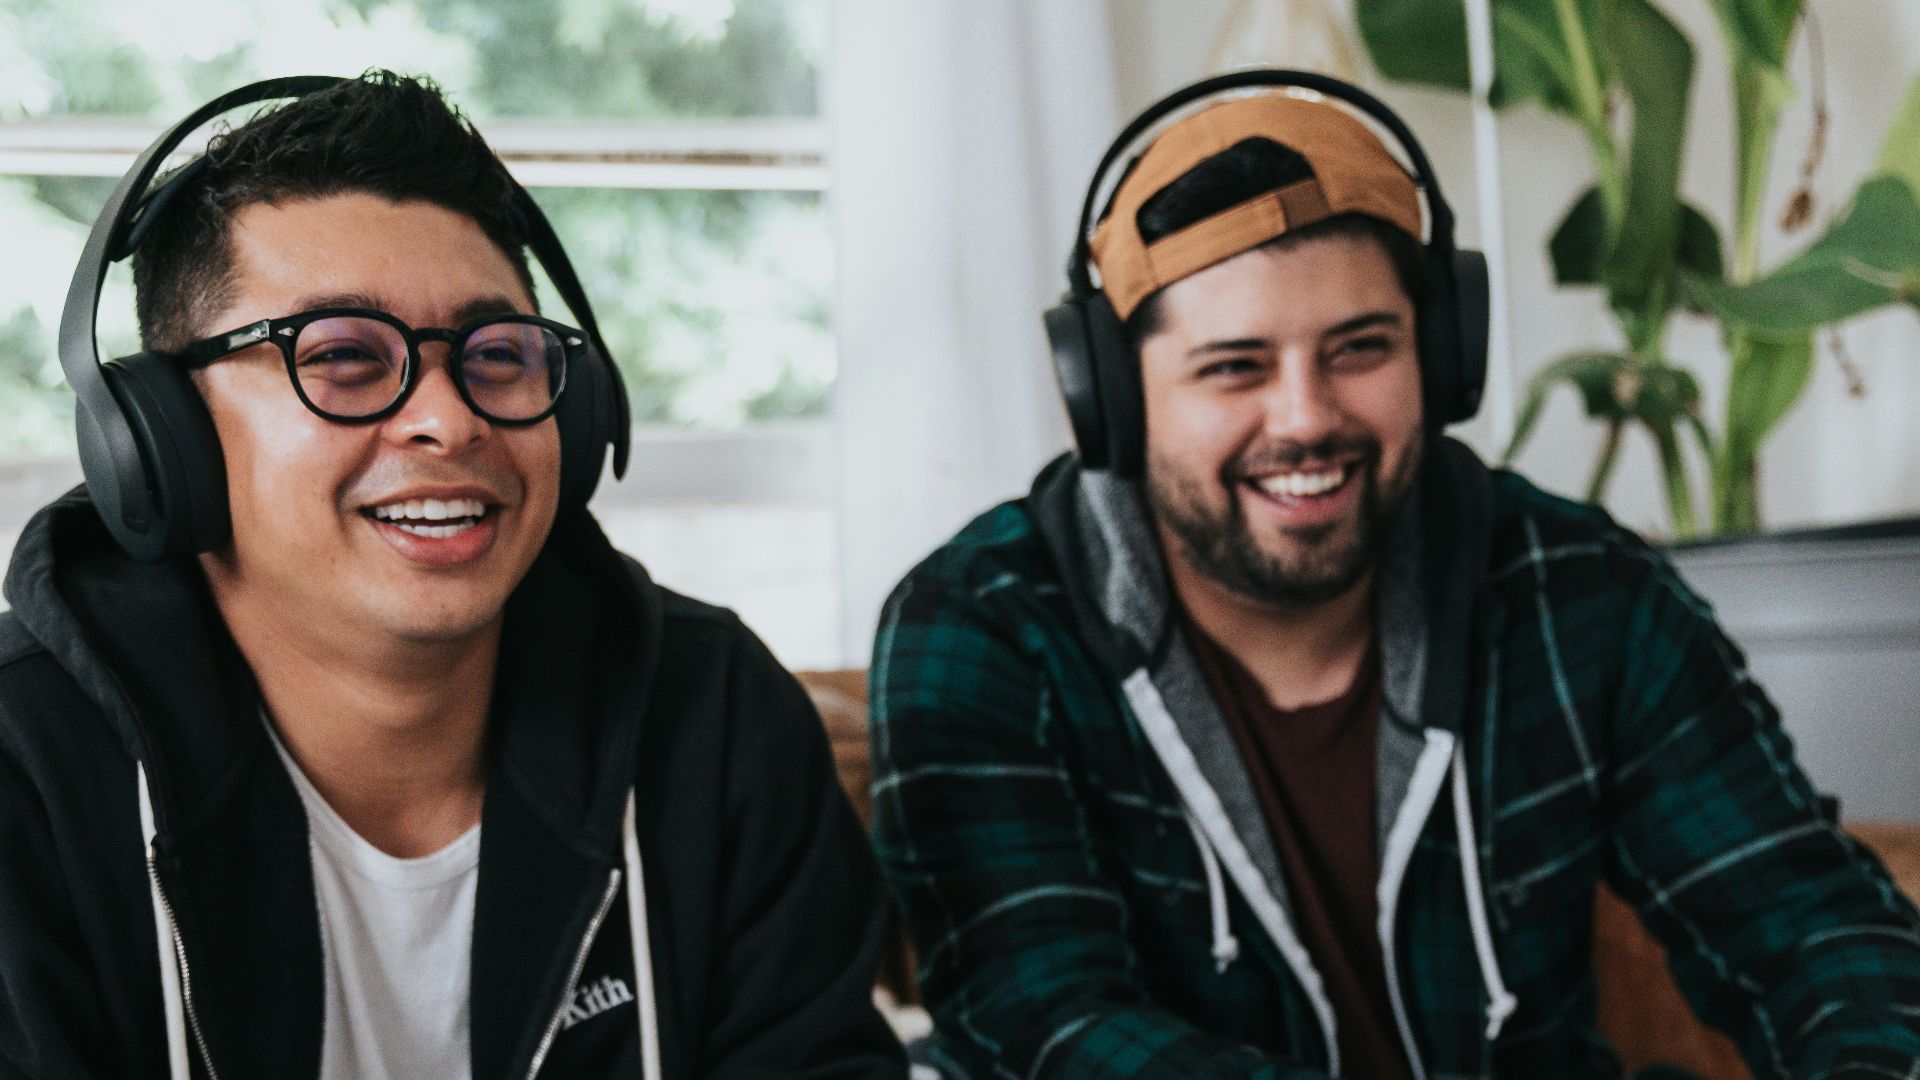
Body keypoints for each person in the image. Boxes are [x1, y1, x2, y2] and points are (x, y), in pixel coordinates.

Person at [867, 71, 1920, 1078]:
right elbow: (1048, 1028)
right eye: (1235, 366)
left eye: (1360, 347)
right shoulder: (983, 629)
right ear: (1115, 400)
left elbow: (1812, 927)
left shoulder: (1581, 592)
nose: (1307, 417)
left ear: (1442, 356)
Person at [0, 72, 903, 1079]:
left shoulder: (718, 716)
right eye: (343, 354)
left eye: (496, 353)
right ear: (160, 440)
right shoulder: (21, 768)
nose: (451, 418)